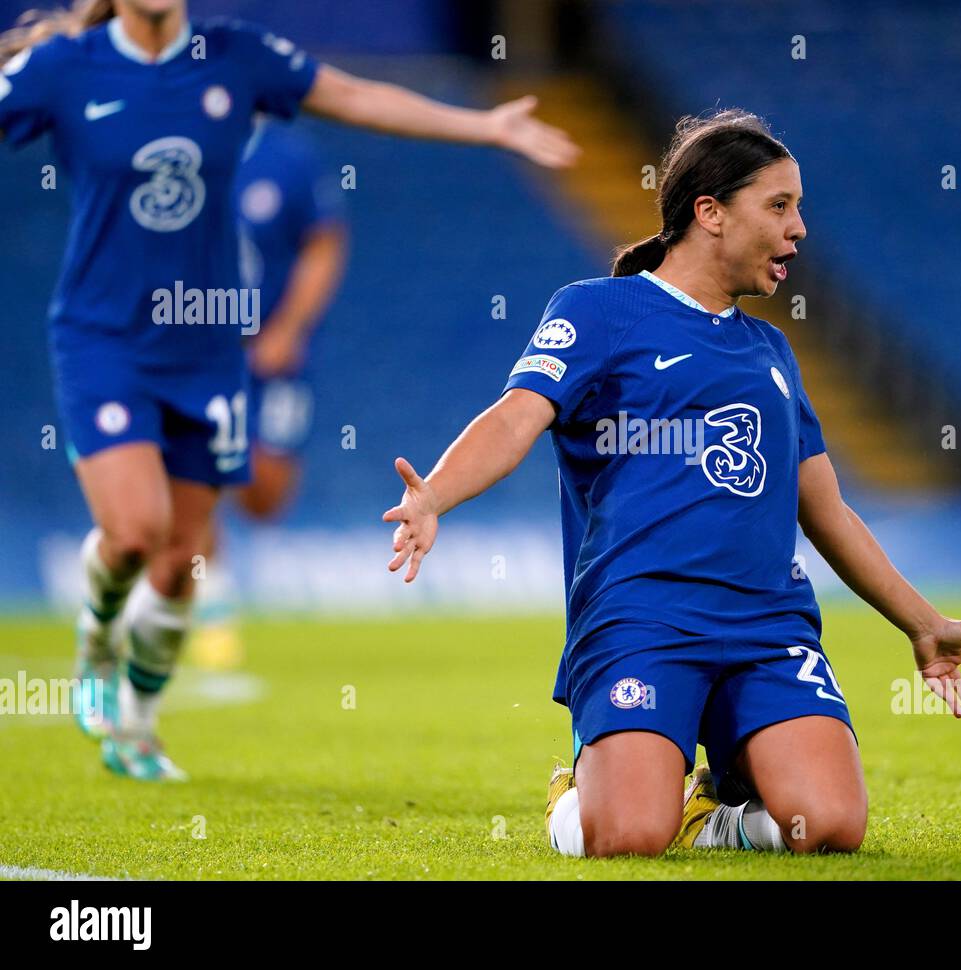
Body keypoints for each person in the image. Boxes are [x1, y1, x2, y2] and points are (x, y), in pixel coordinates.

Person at [383, 109, 961, 856]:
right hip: (641, 620)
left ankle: (710, 818)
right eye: (779, 206)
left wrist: (920, 621)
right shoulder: (598, 311)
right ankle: (576, 794)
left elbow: (826, 508)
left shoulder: (772, 350)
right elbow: (516, 419)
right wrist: (435, 495)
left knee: (829, 826)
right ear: (709, 212)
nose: (799, 229)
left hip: (766, 628)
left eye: (798, 207)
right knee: (629, 835)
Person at [0, 0, 578, 781]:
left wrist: (483, 126)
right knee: (135, 530)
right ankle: (98, 634)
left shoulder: (234, 56)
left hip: (209, 347)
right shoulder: (62, 68)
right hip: (104, 340)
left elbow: (359, 96)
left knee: (181, 563)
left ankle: (135, 721)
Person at [190, 117, 349, 670]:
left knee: (264, 494)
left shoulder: (287, 156)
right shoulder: (181, 146)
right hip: (205, 352)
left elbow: (326, 243)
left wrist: (289, 327)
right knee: (198, 474)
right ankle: (213, 615)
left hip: (274, 357)